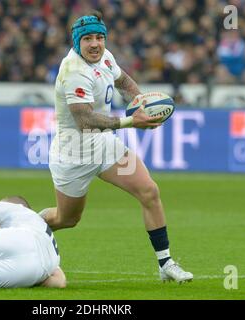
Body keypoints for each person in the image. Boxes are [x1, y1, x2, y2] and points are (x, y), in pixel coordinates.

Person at [39, 11, 193, 283]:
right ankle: (23, 223)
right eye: (88, 39)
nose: (95, 43)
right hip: (73, 153)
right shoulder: (74, 72)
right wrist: (134, 120)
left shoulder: (105, 56)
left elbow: (124, 82)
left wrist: (142, 104)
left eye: (99, 37)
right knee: (66, 219)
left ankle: (165, 263)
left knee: (149, 191)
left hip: (104, 144)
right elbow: (84, 119)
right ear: (77, 42)